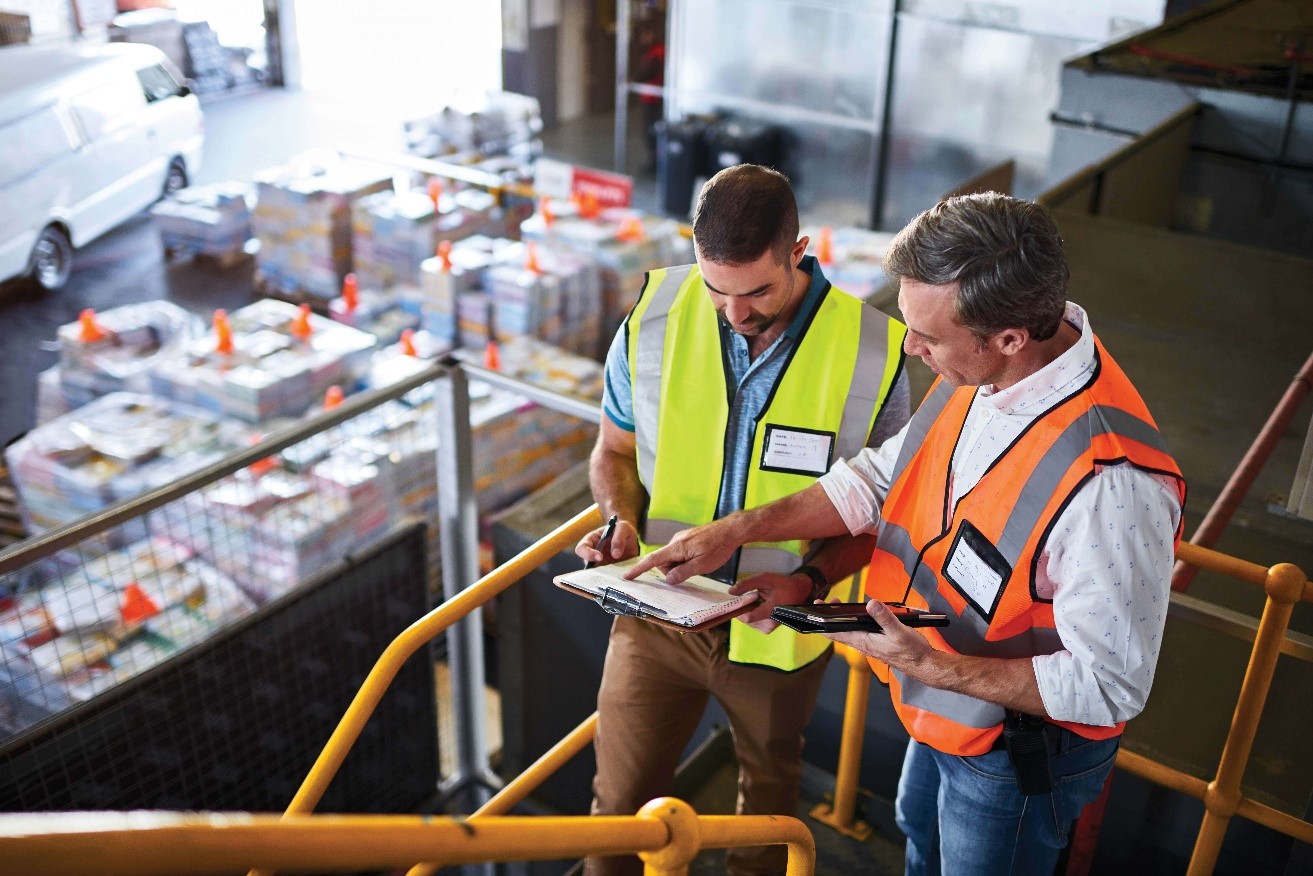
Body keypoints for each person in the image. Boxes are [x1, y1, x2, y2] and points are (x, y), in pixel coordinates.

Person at [628, 193, 1186, 875]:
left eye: (926, 335)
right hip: (945, 703)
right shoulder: (980, 371)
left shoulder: (1111, 485)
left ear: (1009, 337)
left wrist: (928, 665)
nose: (908, 346)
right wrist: (738, 531)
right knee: (917, 835)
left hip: (1010, 752)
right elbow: (875, 479)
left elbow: (1108, 686)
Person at [575, 163, 910, 876]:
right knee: (617, 813)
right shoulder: (657, 315)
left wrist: (813, 577)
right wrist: (619, 520)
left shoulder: (877, 352)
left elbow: (883, 514)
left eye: (755, 290)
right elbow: (612, 449)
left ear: (798, 250)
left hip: (777, 633)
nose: (733, 312)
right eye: (715, 288)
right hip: (654, 615)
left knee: (764, 824)